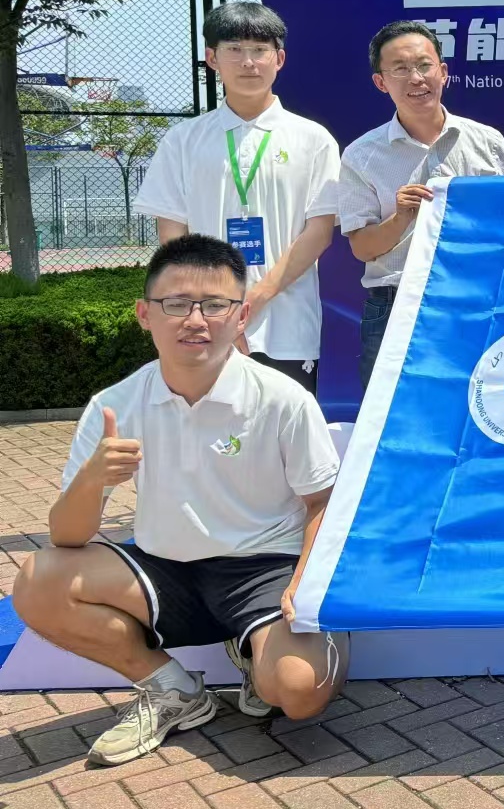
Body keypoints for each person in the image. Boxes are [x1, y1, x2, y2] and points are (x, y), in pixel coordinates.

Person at [11, 235, 348, 766]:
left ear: (241, 317)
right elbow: (66, 537)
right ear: (145, 314)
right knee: (39, 580)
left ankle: (255, 648)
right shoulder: (115, 405)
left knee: (299, 690)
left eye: (215, 304)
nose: (195, 320)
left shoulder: (283, 399)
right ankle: (174, 690)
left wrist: (305, 584)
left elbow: (323, 503)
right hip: (165, 570)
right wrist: (93, 479)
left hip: (265, 569)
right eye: (176, 304)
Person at [134, 3, 339, 394]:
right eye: (234, 49)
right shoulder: (183, 141)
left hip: (287, 325)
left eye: (260, 50)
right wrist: (217, 306)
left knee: (283, 426)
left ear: (279, 59)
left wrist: (253, 301)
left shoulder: (314, 140)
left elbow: (319, 233)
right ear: (212, 58)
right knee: (205, 425)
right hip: (204, 324)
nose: (248, 62)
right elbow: (173, 237)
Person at [339, 21, 504, 389]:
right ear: (381, 82)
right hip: (397, 305)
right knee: (393, 414)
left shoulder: (487, 141)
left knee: (480, 409)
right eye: (400, 69)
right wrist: (400, 218)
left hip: (478, 299)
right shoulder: (361, 155)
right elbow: (362, 248)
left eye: (424, 65)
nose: (416, 78)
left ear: (444, 72)